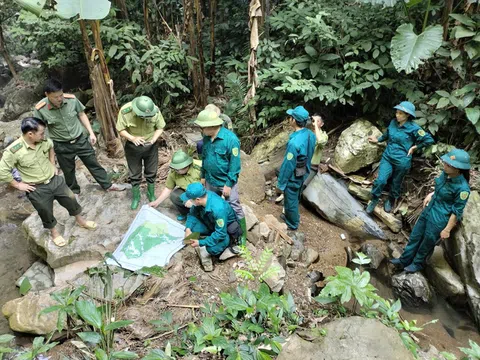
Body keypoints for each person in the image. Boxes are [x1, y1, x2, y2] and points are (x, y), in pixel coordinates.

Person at [0, 117, 97, 247]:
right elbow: (2, 171)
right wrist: (18, 185)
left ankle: (81, 221)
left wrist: (53, 164)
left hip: (54, 180)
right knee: (45, 211)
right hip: (37, 188)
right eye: (41, 133)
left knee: (71, 198)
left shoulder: (43, 140)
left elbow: (50, 146)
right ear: (30, 134)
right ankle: (54, 233)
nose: (43, 135)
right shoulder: (14, 150)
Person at [33, 79, 125, 194]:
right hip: (61, 144)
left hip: (80, 140)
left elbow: (81, 114)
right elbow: (38, 130)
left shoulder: (71, 100)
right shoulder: (40, 109)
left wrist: (91, 132)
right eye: (55, 97)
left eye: (61, 95)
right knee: (68, 171)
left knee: (93, 163)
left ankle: (107, 185)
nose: (60, 99)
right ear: (47, 95)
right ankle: (74, 192)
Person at [391, 149, 471, 273]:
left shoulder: (463, 189)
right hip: (429, 210)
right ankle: (404, 260)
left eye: (448, 165)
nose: (444, 165)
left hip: (439, 218)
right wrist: (431, 194)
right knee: (415, 236)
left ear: (458, 169)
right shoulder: (446, 174)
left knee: (427, 242)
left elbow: (456, 212)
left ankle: (417, 264)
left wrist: (447, 230)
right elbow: (440, 188)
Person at [366, 101, 434, 214]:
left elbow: (429, 140)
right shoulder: (393, 122)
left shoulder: (414, 128)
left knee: (396, 182)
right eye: (397, 112)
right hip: (388, 156)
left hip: (402, 160)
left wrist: (415, 147)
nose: (397, 115)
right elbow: (387, 134)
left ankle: (391, 200)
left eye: (401, 113)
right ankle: (374, 199)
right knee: (381, 180)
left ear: (408, 115)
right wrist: (378, 139)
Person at [195, 109, 247, 246]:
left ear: (211, 126)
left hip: (225, 181)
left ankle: (242, 236)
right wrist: (203, 176)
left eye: (202, 127)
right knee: (211, 206)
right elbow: (205, 159)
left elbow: (235, 165)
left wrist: (229, 184)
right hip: (210, 180)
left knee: (234, 206)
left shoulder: (230, 140)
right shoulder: (206, 139)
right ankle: (217, 230)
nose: (201, 129)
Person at [117, 96, 165, 210]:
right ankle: (136, 197)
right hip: (133, 147)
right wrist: (132, 138)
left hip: (151, 146)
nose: (145, 118)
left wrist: (154, 139)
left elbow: (160, 127)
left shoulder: (155, 110)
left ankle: (151, 194)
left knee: (151, 170)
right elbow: (120, 129)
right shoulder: (126, 111)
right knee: (134, 173)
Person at [181, 182, 243, 271]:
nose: (189, 202)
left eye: (190, 200)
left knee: (211, 248)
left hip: (224, 231)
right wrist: (188, 229)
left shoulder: (218, 209)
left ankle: (228, 243)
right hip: (210, 223)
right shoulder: (203, 197)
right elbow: (192, 214)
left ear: (197, 199)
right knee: (192, 227)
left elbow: (220, 233)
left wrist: (201, 243)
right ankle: (208, 236)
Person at [277, 106, 316, 230]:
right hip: (304, 171)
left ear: (294, 120)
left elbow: (288, 166)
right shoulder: (310, 134)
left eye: (290, 117)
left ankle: (292, 223)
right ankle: (290, 217)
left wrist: (281, 184)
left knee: (290, 199)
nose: (289, 119)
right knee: (296, 195)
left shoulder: (294, 143)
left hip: (294, 174)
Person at [148, 150, 201, 220]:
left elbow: (209, 188)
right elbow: (168, 188)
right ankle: (186, 213)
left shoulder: (199, 167)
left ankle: (201, 216)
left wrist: (194, 201)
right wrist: (157, 202)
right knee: (174, 195)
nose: (176, 170)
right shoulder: (174, 172)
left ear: (186, 166)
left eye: (178, 169)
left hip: (203, 193)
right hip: (188, 191)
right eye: (175, 168)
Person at [304, 112, 329, 188]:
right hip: (301, 164)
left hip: (312, 167)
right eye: (314, 120)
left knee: (302, 185)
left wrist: (316, 128)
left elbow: (320, 141)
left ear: (322, 124)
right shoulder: (306, 132)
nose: (314, 122)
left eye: (317, 121)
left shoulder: (324, 135)